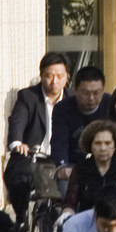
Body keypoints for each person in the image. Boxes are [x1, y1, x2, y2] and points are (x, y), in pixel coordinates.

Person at [4, 53, 72, 221]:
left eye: (60, 76)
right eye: (49, 76)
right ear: (41, 76)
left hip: (62, 157)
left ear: (67, 77)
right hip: (33, 156)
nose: (54, 81)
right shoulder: (28, 96)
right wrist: (17, 143)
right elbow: (17, 121)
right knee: (19, 178)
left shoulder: (73, 99)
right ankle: (21, 219)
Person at [52, 66, 111, 170]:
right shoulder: (62, 108)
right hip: (74, 165)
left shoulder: (111, 104)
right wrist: (62, 166)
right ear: (75, 90)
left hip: (106, 163)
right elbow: (59, 142)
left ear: (103, 90)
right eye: (86, 93)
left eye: (97, 92)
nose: (91, 98)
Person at [67, 120, 116, 211]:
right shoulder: (81, 168)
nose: (103, 148)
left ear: (115, 145)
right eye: (98, 143)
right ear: (90, 145)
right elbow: (70, 202)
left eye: (108, 143)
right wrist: (67, 215)